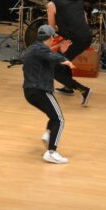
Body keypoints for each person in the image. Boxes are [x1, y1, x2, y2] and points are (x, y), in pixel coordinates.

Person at [22, 24, 76, 164]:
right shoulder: (40, 49)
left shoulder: (34, 49)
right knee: (59, 119)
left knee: (53, 116)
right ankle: (51, 152)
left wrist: (61, 52)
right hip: (40, 90)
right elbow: (51, 56)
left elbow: (49, 56)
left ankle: (48, 134)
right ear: (51, 37)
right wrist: (65, 60)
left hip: (30, 91)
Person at [46, 0, 92, 106]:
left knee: (54, 69)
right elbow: (84, 21)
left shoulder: (52, 4)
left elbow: (51, 29)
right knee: (64, 59)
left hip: (74, 39)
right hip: (86, 36)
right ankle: (68, 87)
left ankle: (83, 90)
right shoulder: (78, 0)